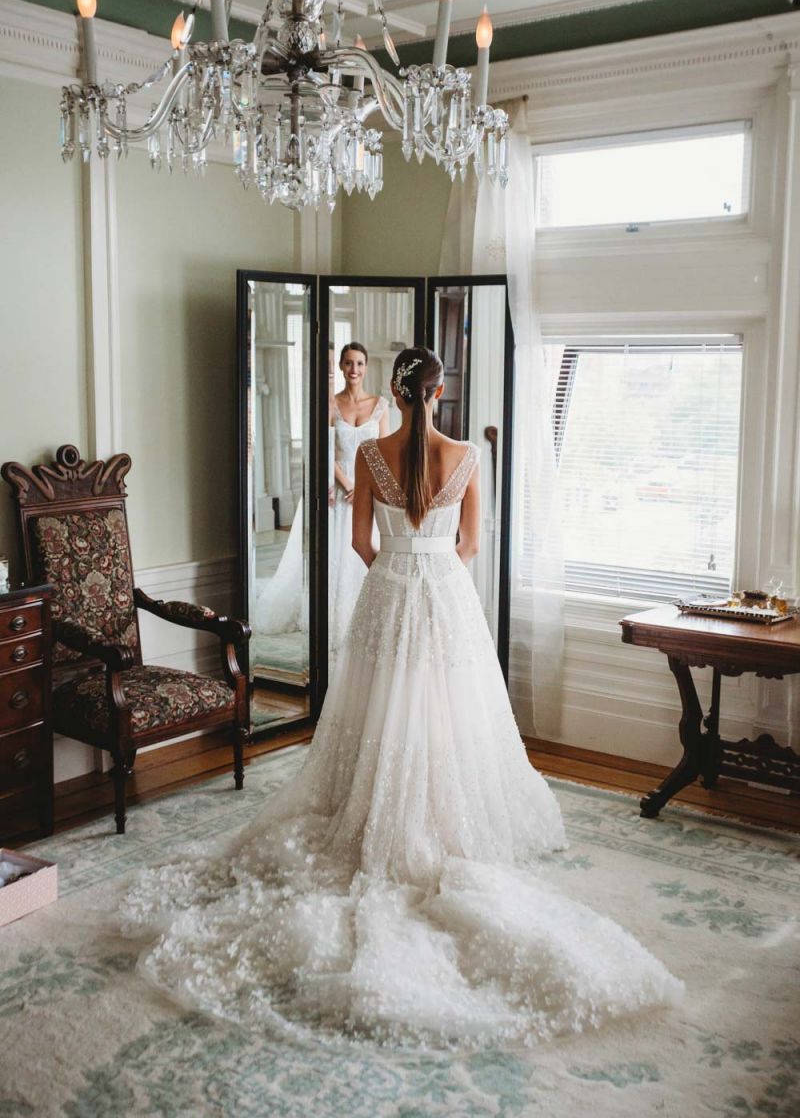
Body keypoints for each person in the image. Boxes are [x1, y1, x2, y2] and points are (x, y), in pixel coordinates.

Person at [123, 347, 682, 1049]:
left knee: (377, 706)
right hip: (444, 592)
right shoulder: (469, 456)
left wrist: (397, 569)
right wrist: (434, 571)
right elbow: (472, 544)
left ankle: (379, 800)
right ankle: (444, 812)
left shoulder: (370, 457)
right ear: (440, 391)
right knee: (447, 708)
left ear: (394, 391)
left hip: (388, 591)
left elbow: (358, 543)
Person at [329, 341, 389, 654]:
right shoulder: (331, 403)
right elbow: (325, 449)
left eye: (360, 364)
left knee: (366, 547)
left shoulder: (380, 405)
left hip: (368, 490)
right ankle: (337, 617)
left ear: (366, 368)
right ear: (341, 366)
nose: (354, 369)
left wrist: (365, 484)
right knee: (341, 551)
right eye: (349, 363)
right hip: (341, 490)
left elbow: (384, 453)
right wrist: (345, 481)